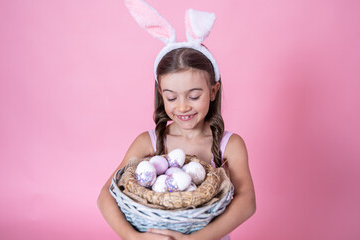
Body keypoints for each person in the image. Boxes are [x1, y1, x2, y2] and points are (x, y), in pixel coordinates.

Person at [97, 1, 256, 239]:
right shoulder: (149, 142)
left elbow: (247, 202)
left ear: (213, 91)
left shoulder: (229, 145)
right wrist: (134, 238)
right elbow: (106, 196)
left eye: (194, 95)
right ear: (161, 94)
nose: (182, 106)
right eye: (171, 97)